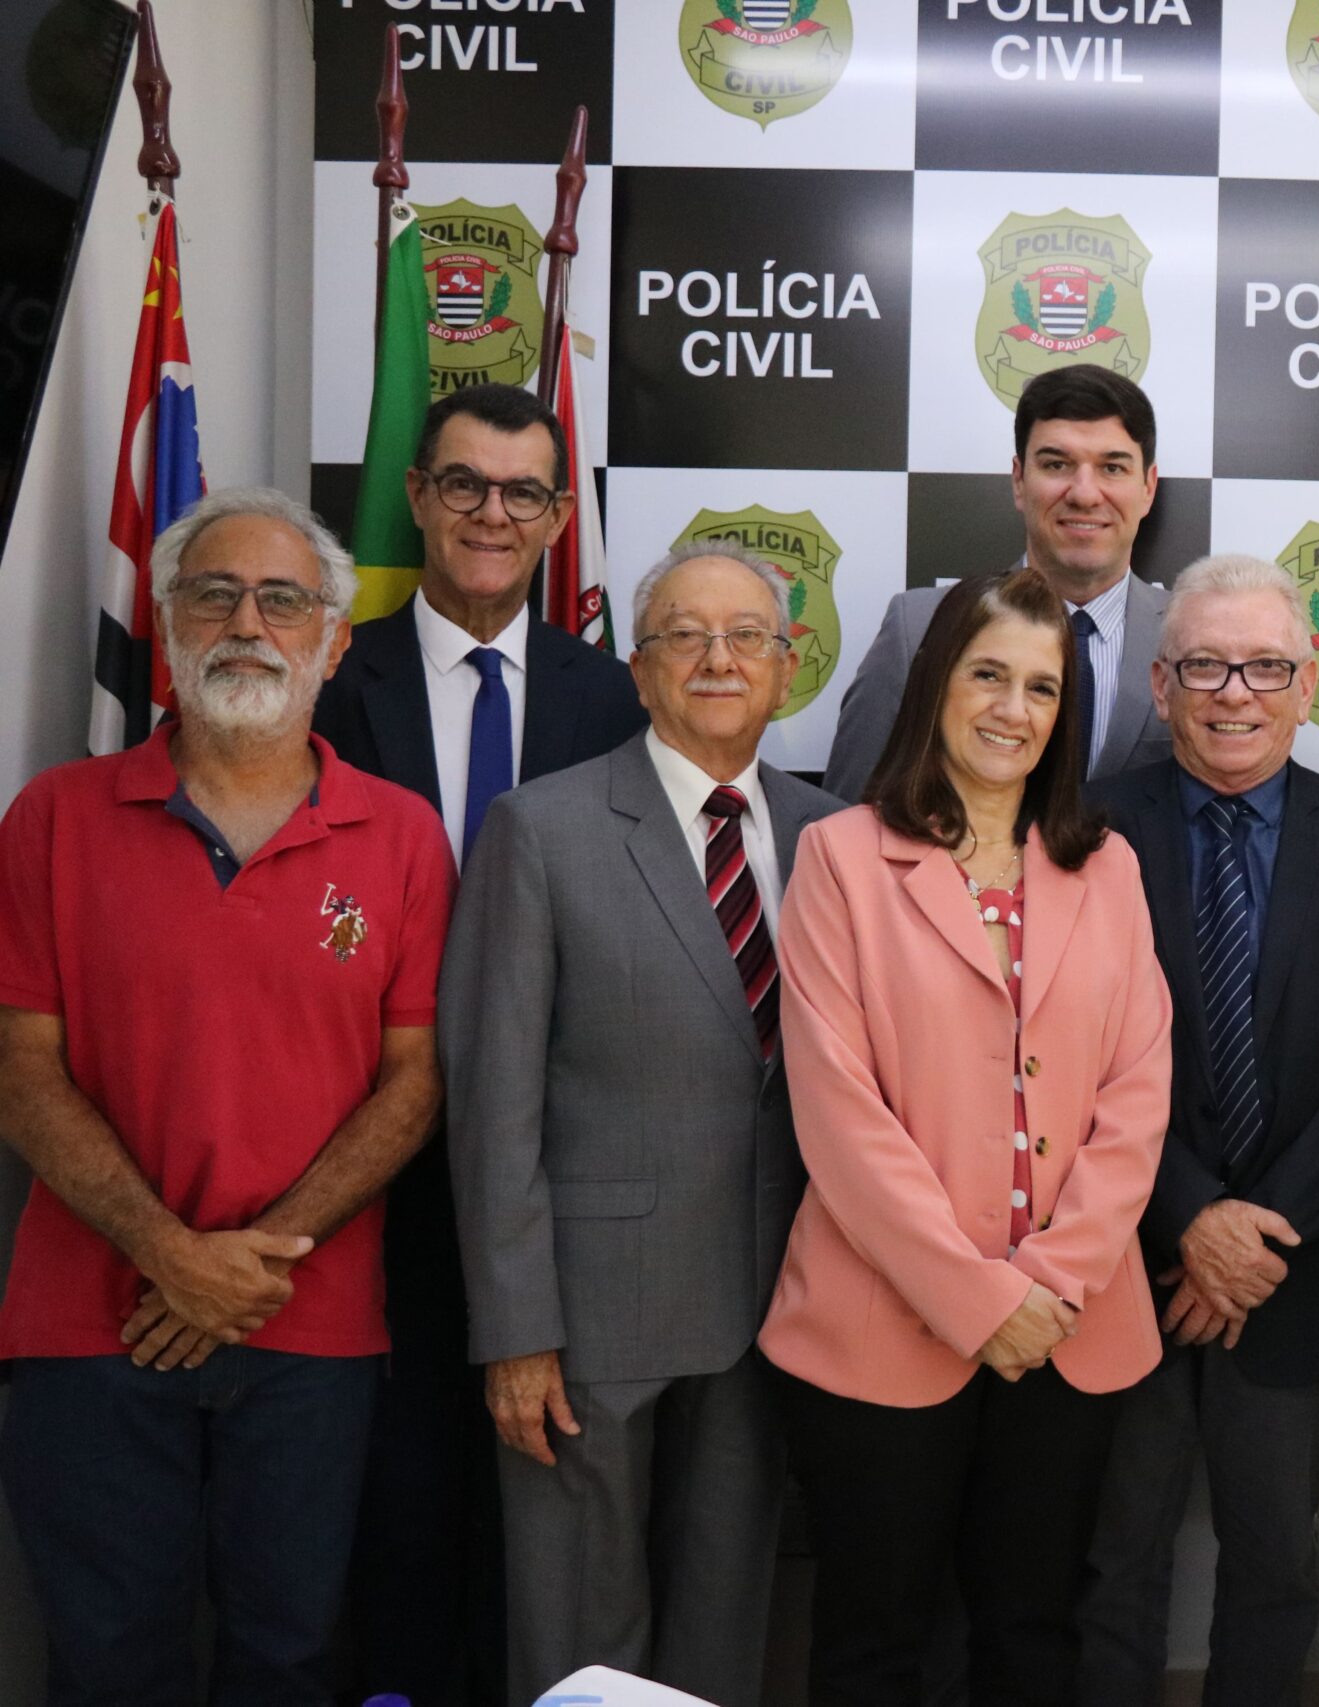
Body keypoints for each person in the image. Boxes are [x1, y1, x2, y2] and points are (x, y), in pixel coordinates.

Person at [0, 487, 450, 1705]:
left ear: (334, 638)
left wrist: (246, 1264)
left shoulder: (405, 837)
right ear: (166, 621)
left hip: (311, 1331)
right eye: (215, 593)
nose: (248, 622)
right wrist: (166, 1251)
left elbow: (415, 1086)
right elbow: (19, 1066)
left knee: (292, 1659)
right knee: (106, 1662)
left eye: (283, 599)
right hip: (89, 1328)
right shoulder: (51, 817)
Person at [764, 567, 1174, 1706]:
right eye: (987, 674)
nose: (1012, 709)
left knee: (1033, 1639)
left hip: (1068, 1327)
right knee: (872, 1644)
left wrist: (1048, 1280)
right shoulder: (842, 858)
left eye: (1041, 688)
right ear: (936, 683)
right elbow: (839, 1115)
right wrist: (977, 1296)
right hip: (881, 1324)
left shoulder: (1109, 867)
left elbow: (1138, 1093)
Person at [440, 544, 837, 1707]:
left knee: (728, 1619)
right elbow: (491, 1098)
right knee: (580, 1633)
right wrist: (514, 1329)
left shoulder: (837, 837)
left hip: (777, 1303)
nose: (719, 659)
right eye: (684, 635)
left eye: (747, 636)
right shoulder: (542, 829)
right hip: (587, 1318)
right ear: (638, 664)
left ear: (786, 665)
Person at [313, 380, 645, 1707]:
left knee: (542, 1509)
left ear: (560, 516)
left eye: (522, 492)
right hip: (372, 1161)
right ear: (417, 495)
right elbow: (308, 906)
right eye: (463, 484)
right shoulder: (335, 683)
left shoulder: (612, 694)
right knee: (399, 1500)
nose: (491, 515)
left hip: (556, 1173)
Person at [1078, 555, 1319, 1706]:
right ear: (1162, 682)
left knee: (1276, 1566)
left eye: (1265, 666)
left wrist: (1248, 1243)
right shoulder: (1089, 830)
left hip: (1295, 1276)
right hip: (1125, 1265)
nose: (1236, 693)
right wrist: (1190, 1220)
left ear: (1309, 681)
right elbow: (1066, 1061)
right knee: (1111, 1560)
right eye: (1206, 668)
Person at [822, 364, 1173, 801]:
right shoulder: (918, 628)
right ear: (1019, 481)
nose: (1084, 493)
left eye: (1112, 468)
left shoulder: (1195, 639)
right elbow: (847, 822)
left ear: (1148, 488)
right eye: (1057, 464)